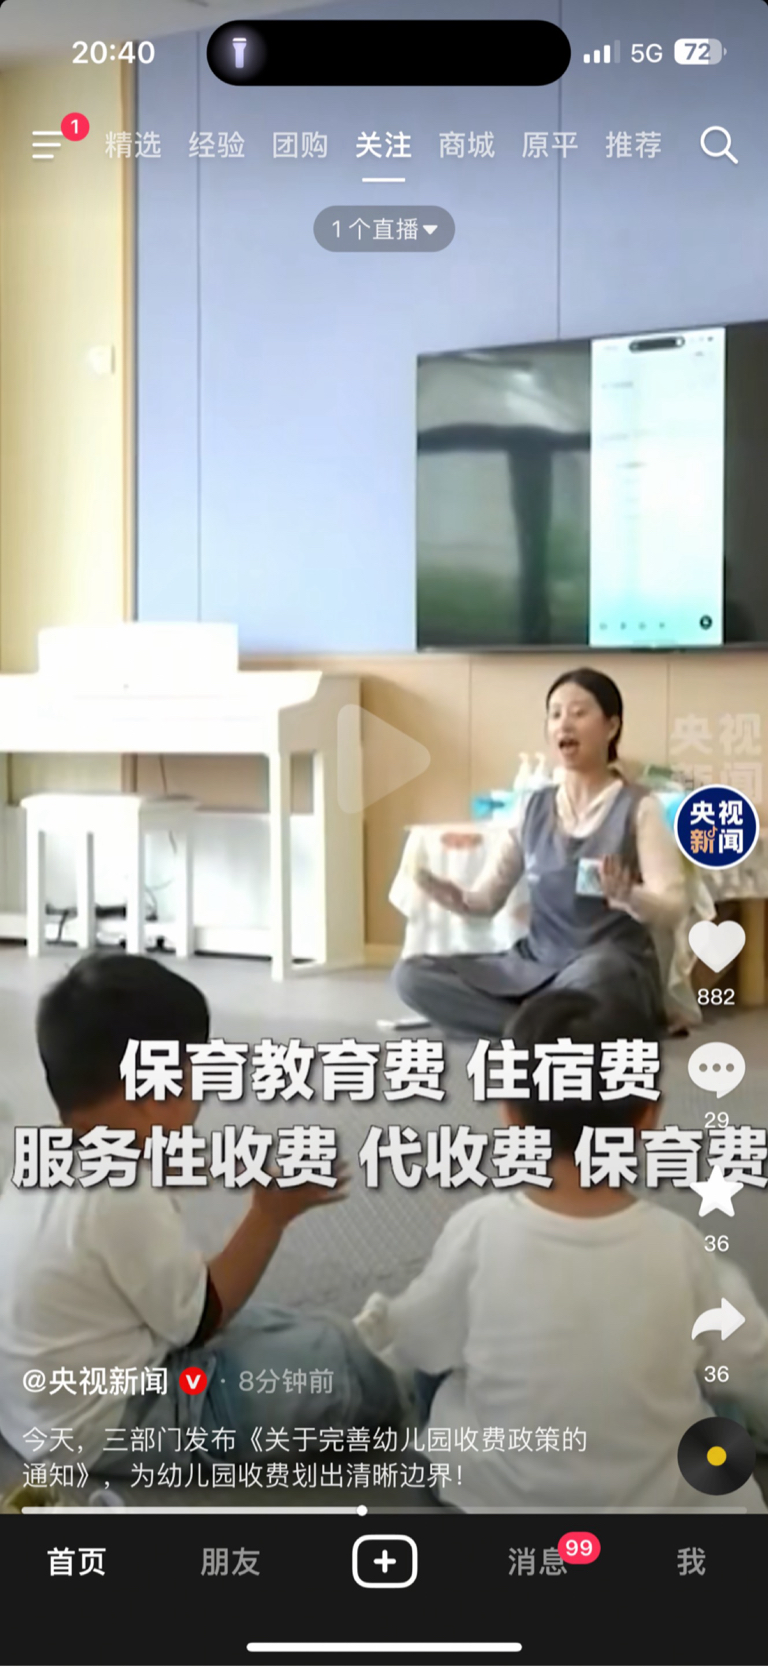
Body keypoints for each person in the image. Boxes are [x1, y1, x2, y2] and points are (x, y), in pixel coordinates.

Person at [355, 988, 768, 1511]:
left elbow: (416, 1341)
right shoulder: (682, 1246)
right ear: (648, 1117)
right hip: (663, 1503)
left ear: (510, 1115)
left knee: (434, 1368)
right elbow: (749, 1359)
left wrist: (385, 1324)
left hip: (499, 1496)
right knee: (719, 1401)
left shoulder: (479, 1231)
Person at [0, 954, 402, 1480]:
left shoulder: (46, 1156)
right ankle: (383, 1372)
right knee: (332, 1372)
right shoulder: (123, 1192)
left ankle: (352, 1340)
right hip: (115, 1423)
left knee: (264, 1319)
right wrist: (269, 1216)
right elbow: (203, 1319)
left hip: (33, 1410)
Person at [394, 666, 687, 1039]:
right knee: (412, 976)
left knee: (600, 976)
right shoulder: (531, 808)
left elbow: (673, 907)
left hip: (606, 966)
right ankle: (547, 1028)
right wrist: (454, 897)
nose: (564, 724)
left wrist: (630, 896)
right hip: (535, 966)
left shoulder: (639, 807)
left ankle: (536, 1024)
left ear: (612, 727)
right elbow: (485, 901)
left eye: (579, 713)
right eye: (555, 714)